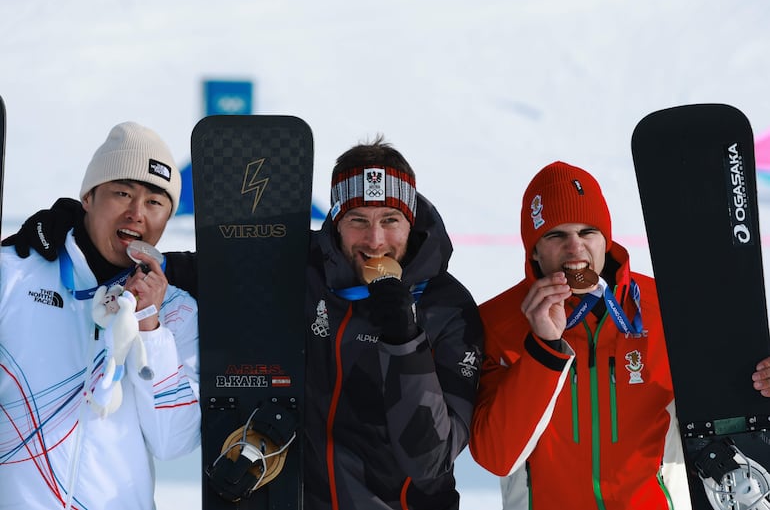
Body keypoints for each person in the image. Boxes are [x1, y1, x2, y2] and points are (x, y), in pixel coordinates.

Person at [4, 136, 483, 510]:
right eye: (357, 218)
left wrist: (403, 341)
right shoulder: (305, 271)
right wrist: (68, 234)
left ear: (411, 222)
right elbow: (204, 266)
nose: (374, 239)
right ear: (335, 221)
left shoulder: (447, 308)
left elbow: (429, 461)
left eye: (389, 220)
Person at [0, 122, 200, 510]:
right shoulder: (13, 274)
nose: (137, 213)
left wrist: (149, 330)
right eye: (122, 193)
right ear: (88, 198)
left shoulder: (177, 311)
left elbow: (174, 442)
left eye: (155, 203)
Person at [469, 160, 683, 509]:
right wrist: (544, 349)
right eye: (555, 235)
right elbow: (496, 457)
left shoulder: (666, 310)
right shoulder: (496, 323)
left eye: (587, 232)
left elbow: (721, 410)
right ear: (534, 249)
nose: (575, 247)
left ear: (605, 240)